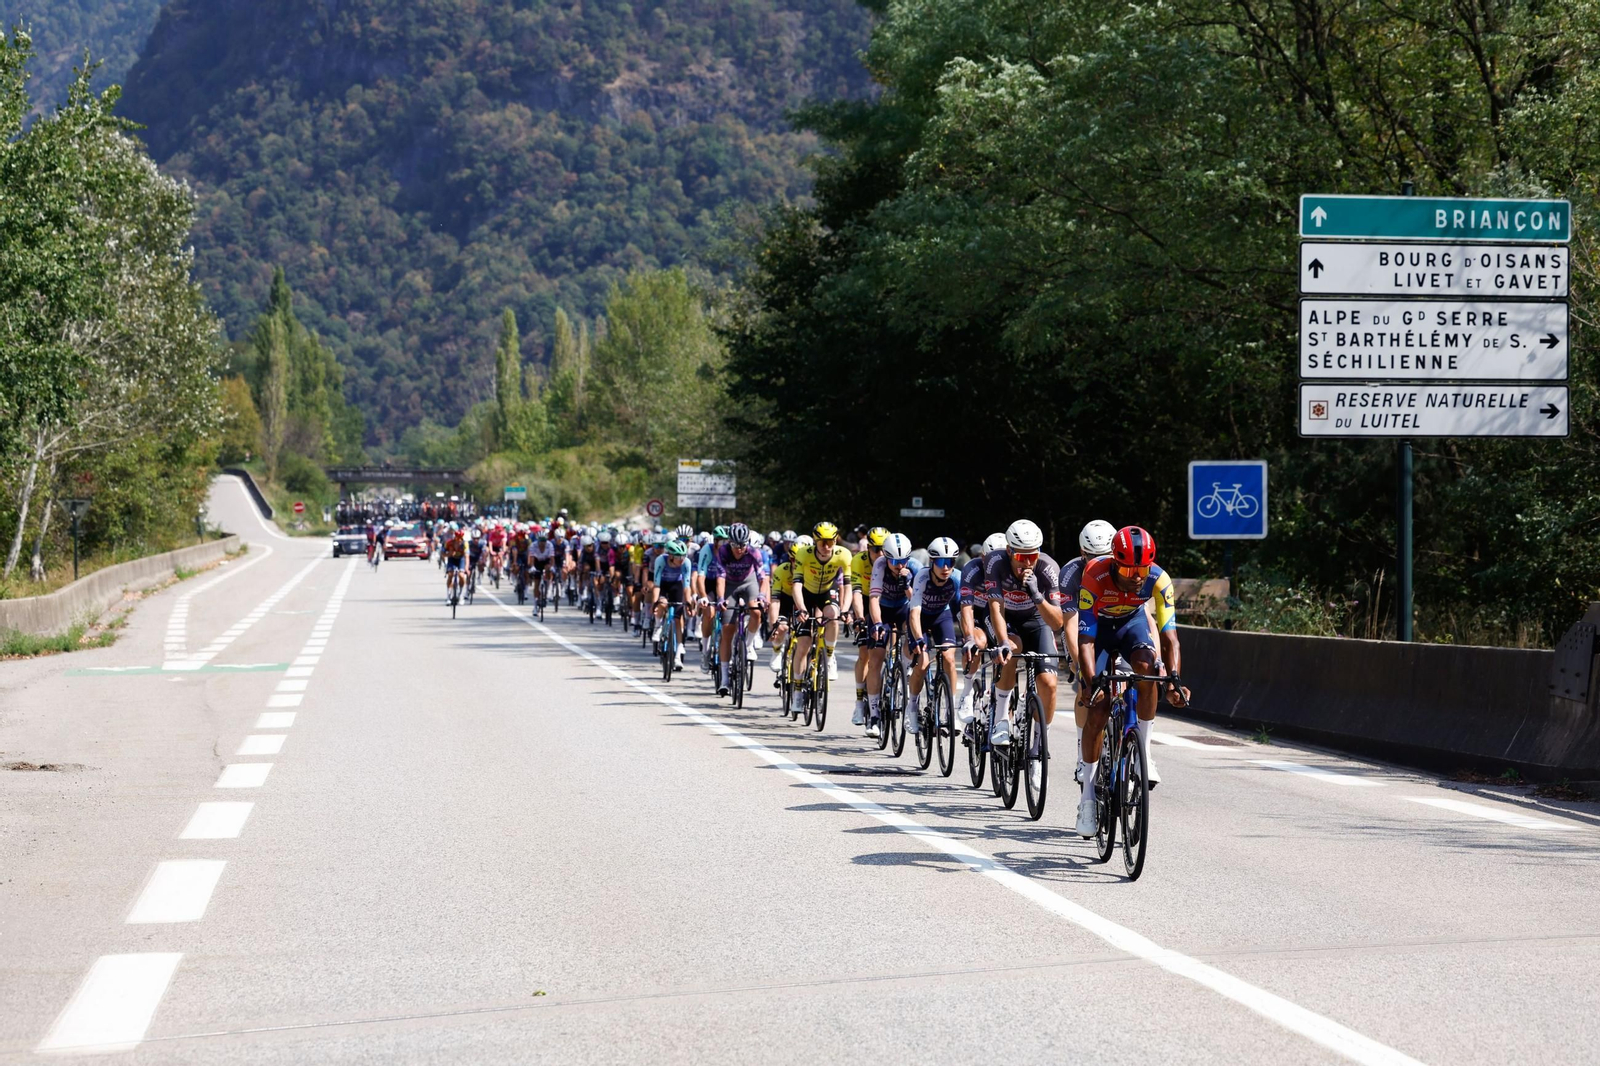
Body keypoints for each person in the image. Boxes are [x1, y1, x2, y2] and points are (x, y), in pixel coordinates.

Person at [1074, 525, 1190, 838]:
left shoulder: (1159, 579)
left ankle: (1146, 752)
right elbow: (1085, 640)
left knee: (1147, 669)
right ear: (1113, 561)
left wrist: (1174, 678)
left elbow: (1170, 637)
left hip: (1131, 626)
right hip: (1098, 631)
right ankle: (1087, 797)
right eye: (1127, 568)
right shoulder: (1094, 575)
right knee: (1097, 706)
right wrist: (1090, 682)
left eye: (1142, 568)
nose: (1136, 576)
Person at [982, 520, 1066, 782]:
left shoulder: (1048, 568)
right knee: (1012, 650)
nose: (1028, 563)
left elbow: (1057, 623)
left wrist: (1037, 595)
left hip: (1037, 621)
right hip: (1006, 619)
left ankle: (1039, 747)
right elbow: (995, 607)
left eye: (1033, 555)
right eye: (1022, 557)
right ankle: (1001, 719)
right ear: (1009, 551)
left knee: (1049, 683)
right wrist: (1003, 641)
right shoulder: (995, 562)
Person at [786, 521, 852, 715]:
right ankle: (797, 691)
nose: (826, 546)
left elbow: (847, 586)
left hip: (826, 592)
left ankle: (829, 656)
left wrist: (846, 610)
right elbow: (796, 585)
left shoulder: (843, 555)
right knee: (804, 644)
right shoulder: (803, 554)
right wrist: (801, 609)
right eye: (822, 542)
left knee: (833, 616)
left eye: (830, 541)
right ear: (815, 541)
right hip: (806, 592)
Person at [905, 536, 964, 734]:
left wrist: (969, 636)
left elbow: (962, 611)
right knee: (922, 663)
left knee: (949, 656)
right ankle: (911, 707)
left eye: (950, 562)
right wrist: (919, 640)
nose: (946, 567)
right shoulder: (922, 577)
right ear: (932, 562)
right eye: (941, 562)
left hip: (941, 616)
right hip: (920, 617)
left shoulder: (957, 578)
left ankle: (950, 712)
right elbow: (914, 613)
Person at [866, 532, 922, 738]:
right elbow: (873, 598)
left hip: (904, 608)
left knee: (913, 633)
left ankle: (905, 668)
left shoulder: (915, 566)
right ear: (885, 556)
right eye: (894, 561)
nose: (899, 565)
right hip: (883, 608)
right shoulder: (880, 565)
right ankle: (873, 716)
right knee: (875, 660)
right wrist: (878, 623)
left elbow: (917, 602)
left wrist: (907, 585)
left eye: (903, 561)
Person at [707, 522, 770, 697]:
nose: (740, 549)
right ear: (730, 543)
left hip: (749, 582)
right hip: (730, 585)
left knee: (756, 611)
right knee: (728, 630)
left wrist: (763, 596)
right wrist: (720, 599)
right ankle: (725, 679)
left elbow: (762, 578)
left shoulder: (754, 552)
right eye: (736, 545)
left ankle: (748, 644)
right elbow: (720, 578)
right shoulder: (724, 551)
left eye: (743, 545)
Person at [956, 532, 1007, 722]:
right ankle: (966, 693)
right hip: (973, 612)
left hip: (994, 612)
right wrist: (968, 637)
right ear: (982, 557)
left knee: (1004, 648)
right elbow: (966, 607)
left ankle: (1001, 700)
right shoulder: (972, 568)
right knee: (977, 643)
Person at [849, 526, 888, 726]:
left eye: (884, 549)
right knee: (865, 653)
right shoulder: (858, 561)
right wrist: (859, 618)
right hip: (865, 599)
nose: (880, 554)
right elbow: (856, 592)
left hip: (885, 601)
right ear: (869, 549)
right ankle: (859, 703)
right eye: (875, 549)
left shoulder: (892, 561)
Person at [652, 540, 693, 670]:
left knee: (677, 617)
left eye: (683, 556)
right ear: (670, 556)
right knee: (662, 603)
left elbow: (687, 587)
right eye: (678, 557)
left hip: (677, 586)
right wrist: (655, 603)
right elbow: (656, 585)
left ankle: (678, 652)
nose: (681, 559)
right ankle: (658, 626)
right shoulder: (660, 560)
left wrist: (688, 603)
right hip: (663, 585)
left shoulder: (686, 562)